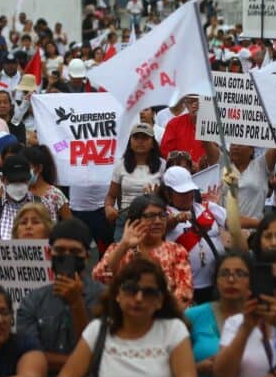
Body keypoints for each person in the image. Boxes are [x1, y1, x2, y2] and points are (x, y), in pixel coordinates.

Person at [55, 259, 199, 377]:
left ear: (160, 300)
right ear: (118, 295)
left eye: (148, 292)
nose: (138, 298)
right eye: (131, 289)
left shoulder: (173, 329)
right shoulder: (98, 330)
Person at [17, 218, 103, 377]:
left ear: (86, 255)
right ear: (50, 254)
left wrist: (76, 304)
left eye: (74, 251)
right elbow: (30, 356)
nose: (67, 256)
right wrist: (80, 363)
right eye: (60, 250)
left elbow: (100, 351)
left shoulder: (105, 298)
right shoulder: (32, 301)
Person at [185, 251, 248, 377]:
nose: (231, 279)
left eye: (240, 274)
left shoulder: (263, 318)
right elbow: (170, 367)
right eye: (224, 273)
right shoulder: (192, 316)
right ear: (215, 281)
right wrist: (196, 369)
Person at [92, 195, 194, 310]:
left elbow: (184, 294)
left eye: (162, 215)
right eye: (150, 216)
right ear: (134, 221)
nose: (158, 221)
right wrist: (124, 245)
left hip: (165, 319)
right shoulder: (120, 250)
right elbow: (99, 276)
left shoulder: (176, 251)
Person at [162, 166, 228, 303]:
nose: (188, 196)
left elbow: (234, 220)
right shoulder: (163, 214)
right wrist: (176, 219)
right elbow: (162, 226)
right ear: (168, 193)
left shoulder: (207, 207)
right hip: (186, 288)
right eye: (182, 192)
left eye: (190, 191)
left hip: (215, 285)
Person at [105, 124, 166, 242]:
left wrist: (157, 196)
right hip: (126, 219)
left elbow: (169, 196)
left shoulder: (162, 165)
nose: (140, 141)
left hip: (153, 219)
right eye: (136, 137)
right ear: (130, 142)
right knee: (123, 257)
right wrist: (108, 208)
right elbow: (111, 196)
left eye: (145, 138)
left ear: (153, 143)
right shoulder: (120, 165)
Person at [0, 155, 39, 240]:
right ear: (2, 179)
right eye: (12, 181)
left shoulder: (42, 204)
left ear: (29, 179)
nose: (18, 185)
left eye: (22, 180)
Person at [23, 146, 70, 222]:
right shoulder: (18, 191)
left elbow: (69, 224)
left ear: (38, 168)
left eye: (26, 168)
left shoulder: (56, 195)